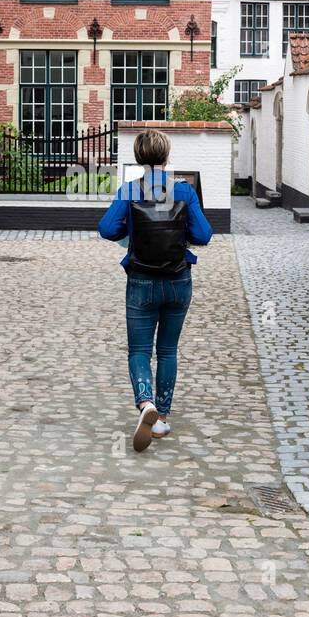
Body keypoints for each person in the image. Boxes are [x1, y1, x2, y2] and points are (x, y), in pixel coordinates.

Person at [98, 130, 213, 452]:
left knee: (138, 350)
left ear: (138, 157)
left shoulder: (129, 190)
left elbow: (107, 229)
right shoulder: (183, 191)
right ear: (166, 155)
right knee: (167, 351)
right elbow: (203, 235)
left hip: (141, 281)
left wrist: (129, 229)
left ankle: (144, 402)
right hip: (178, 281)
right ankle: (160, 416)